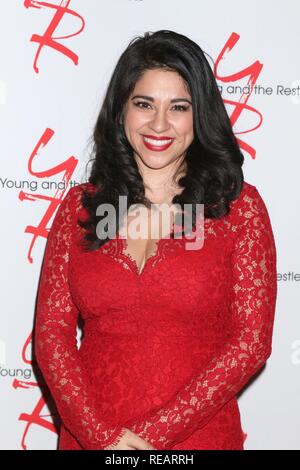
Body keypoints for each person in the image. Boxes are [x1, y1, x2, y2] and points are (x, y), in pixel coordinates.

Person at [34, 30, 277, 450]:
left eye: (178, 107)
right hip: (93, 440)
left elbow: (250, 343)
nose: (159, 124)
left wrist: (150, 437)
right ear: (121, 111)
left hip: (197, 438)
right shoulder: (80, 208)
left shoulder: (239, 209)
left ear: (200, 115)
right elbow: (52, 336)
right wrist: (100, 437)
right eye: (144, 104)